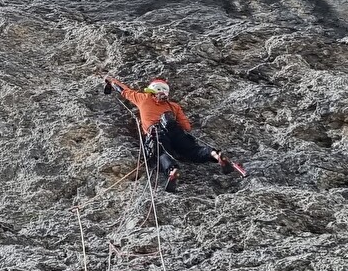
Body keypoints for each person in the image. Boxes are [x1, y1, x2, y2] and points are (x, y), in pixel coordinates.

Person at [103, 75, 246, 191]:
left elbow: (124, 90)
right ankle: (216, 155)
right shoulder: (174, 106)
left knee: (160, 153)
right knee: (193, 151)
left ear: (151, 90)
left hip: (156, 133)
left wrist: (110, 80)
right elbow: (187, 127)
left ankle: (172, 170)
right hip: (175, 130)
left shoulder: (143, 98)